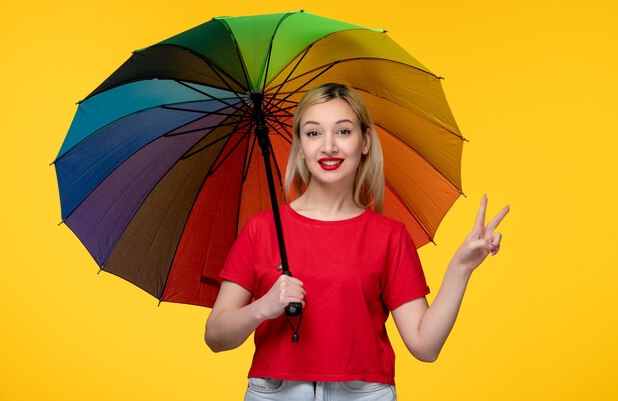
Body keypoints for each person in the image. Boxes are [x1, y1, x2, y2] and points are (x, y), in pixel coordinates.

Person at [205, 83, 510, 400]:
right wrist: (263, 308)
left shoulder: (390, 236)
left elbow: (425, 345)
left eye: (343, 132)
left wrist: (460, 268)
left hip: (364, 393)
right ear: (299, 145)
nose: (328, 147)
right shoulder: (261, 229)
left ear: (364, 141)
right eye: (313, 133)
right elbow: (215, 335)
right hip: (275, 393)